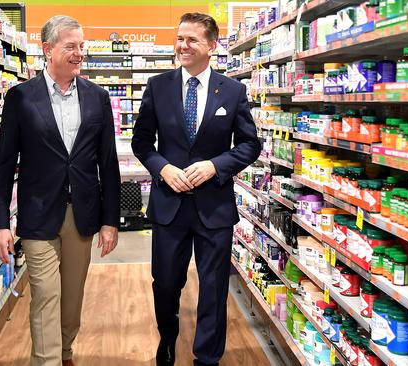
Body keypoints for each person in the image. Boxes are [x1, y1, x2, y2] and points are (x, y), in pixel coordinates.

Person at [131, 12, 261, 366]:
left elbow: (250, 145)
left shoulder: (233, 91)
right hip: (169, 204)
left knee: (214, 287)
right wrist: (163, 168)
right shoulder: (158, 87)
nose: (183, 46)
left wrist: (215, 166)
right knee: (166, 283)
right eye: (179, 39)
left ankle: (208, 357)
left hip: (213, 207)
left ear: (212, 46)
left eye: (192, 40)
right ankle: (168, 339)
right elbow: (142, 142)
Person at [0, 15, 121, 366]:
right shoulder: (21, 97)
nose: (80, 53)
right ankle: (46, 361)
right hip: (37, 212)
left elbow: (107, 163)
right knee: (46, 294)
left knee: (72, 297)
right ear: (48, 50)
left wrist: (111, 220)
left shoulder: (97, 97)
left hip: (82, 213)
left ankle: (64, 352)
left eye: (82, 46)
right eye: (71, 47)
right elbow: (3, 166)